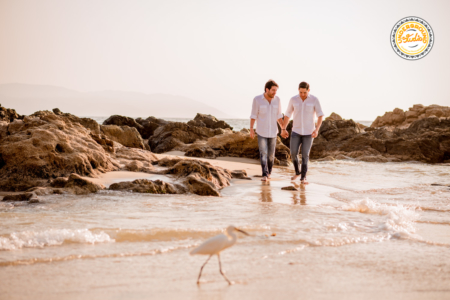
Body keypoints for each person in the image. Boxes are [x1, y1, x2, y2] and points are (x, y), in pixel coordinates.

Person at [283, 81, 324, 184]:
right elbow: (287, 115)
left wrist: (317, 129)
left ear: (308, 91)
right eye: (301, 92)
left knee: (305, 155)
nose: (302, 94)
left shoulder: (314, 100)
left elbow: (320, 115)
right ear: (298, 90)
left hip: (309, 133)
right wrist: (283, 128)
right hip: (295, 132)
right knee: (293, 153)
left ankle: (303, 177)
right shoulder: (293, 100)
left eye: (304, 92)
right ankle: (297, 172)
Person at [250, 80, 286, 181]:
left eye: (276, 90)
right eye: (273, 90)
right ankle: (264, 174)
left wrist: (283, 129)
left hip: (273, 132)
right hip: (261, 131)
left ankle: (269, 172)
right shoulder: (257, 99)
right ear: (267, 89)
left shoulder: (277, 100)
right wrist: (251, 129)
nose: (275, 92)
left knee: (271, 155)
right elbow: (253, 115)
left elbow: (279, 117)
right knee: (263, 153)